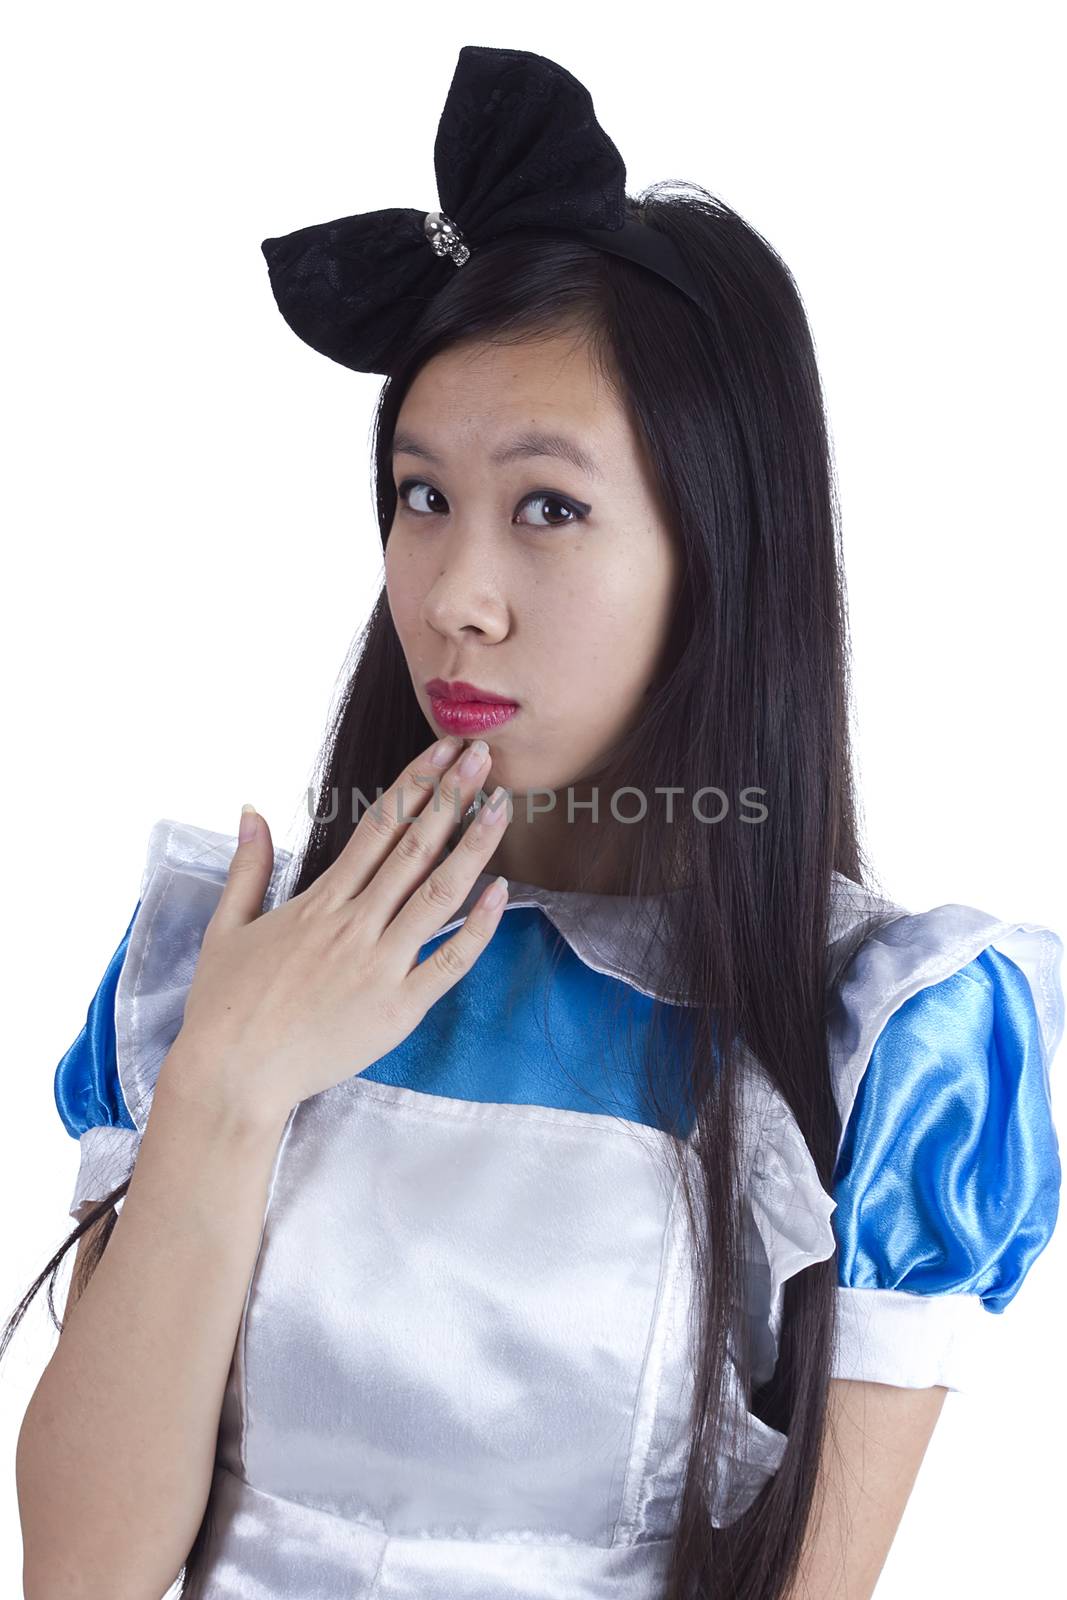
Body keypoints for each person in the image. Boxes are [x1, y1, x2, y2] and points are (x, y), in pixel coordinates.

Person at [8, 42, 1062, 1600]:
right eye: (421, 495)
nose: (456, 597)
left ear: (720, 549)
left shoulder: (883, 1042)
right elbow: (82, 1573)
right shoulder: (230, 964)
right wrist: (228, 1088)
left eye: (547, 508)